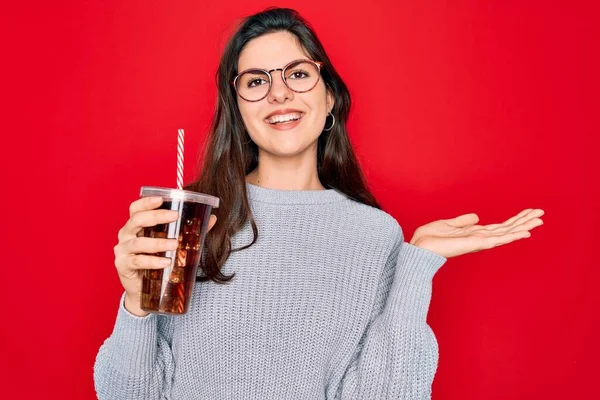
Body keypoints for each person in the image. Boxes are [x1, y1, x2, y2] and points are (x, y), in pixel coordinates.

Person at [93, 7, 544, 400]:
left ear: (329, 95)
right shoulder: (190, 223)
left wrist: (416, 264)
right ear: (239, 109)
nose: (279, 92)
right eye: (255, 81)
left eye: (298, 73)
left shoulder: (373, 235)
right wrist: (135, 304)